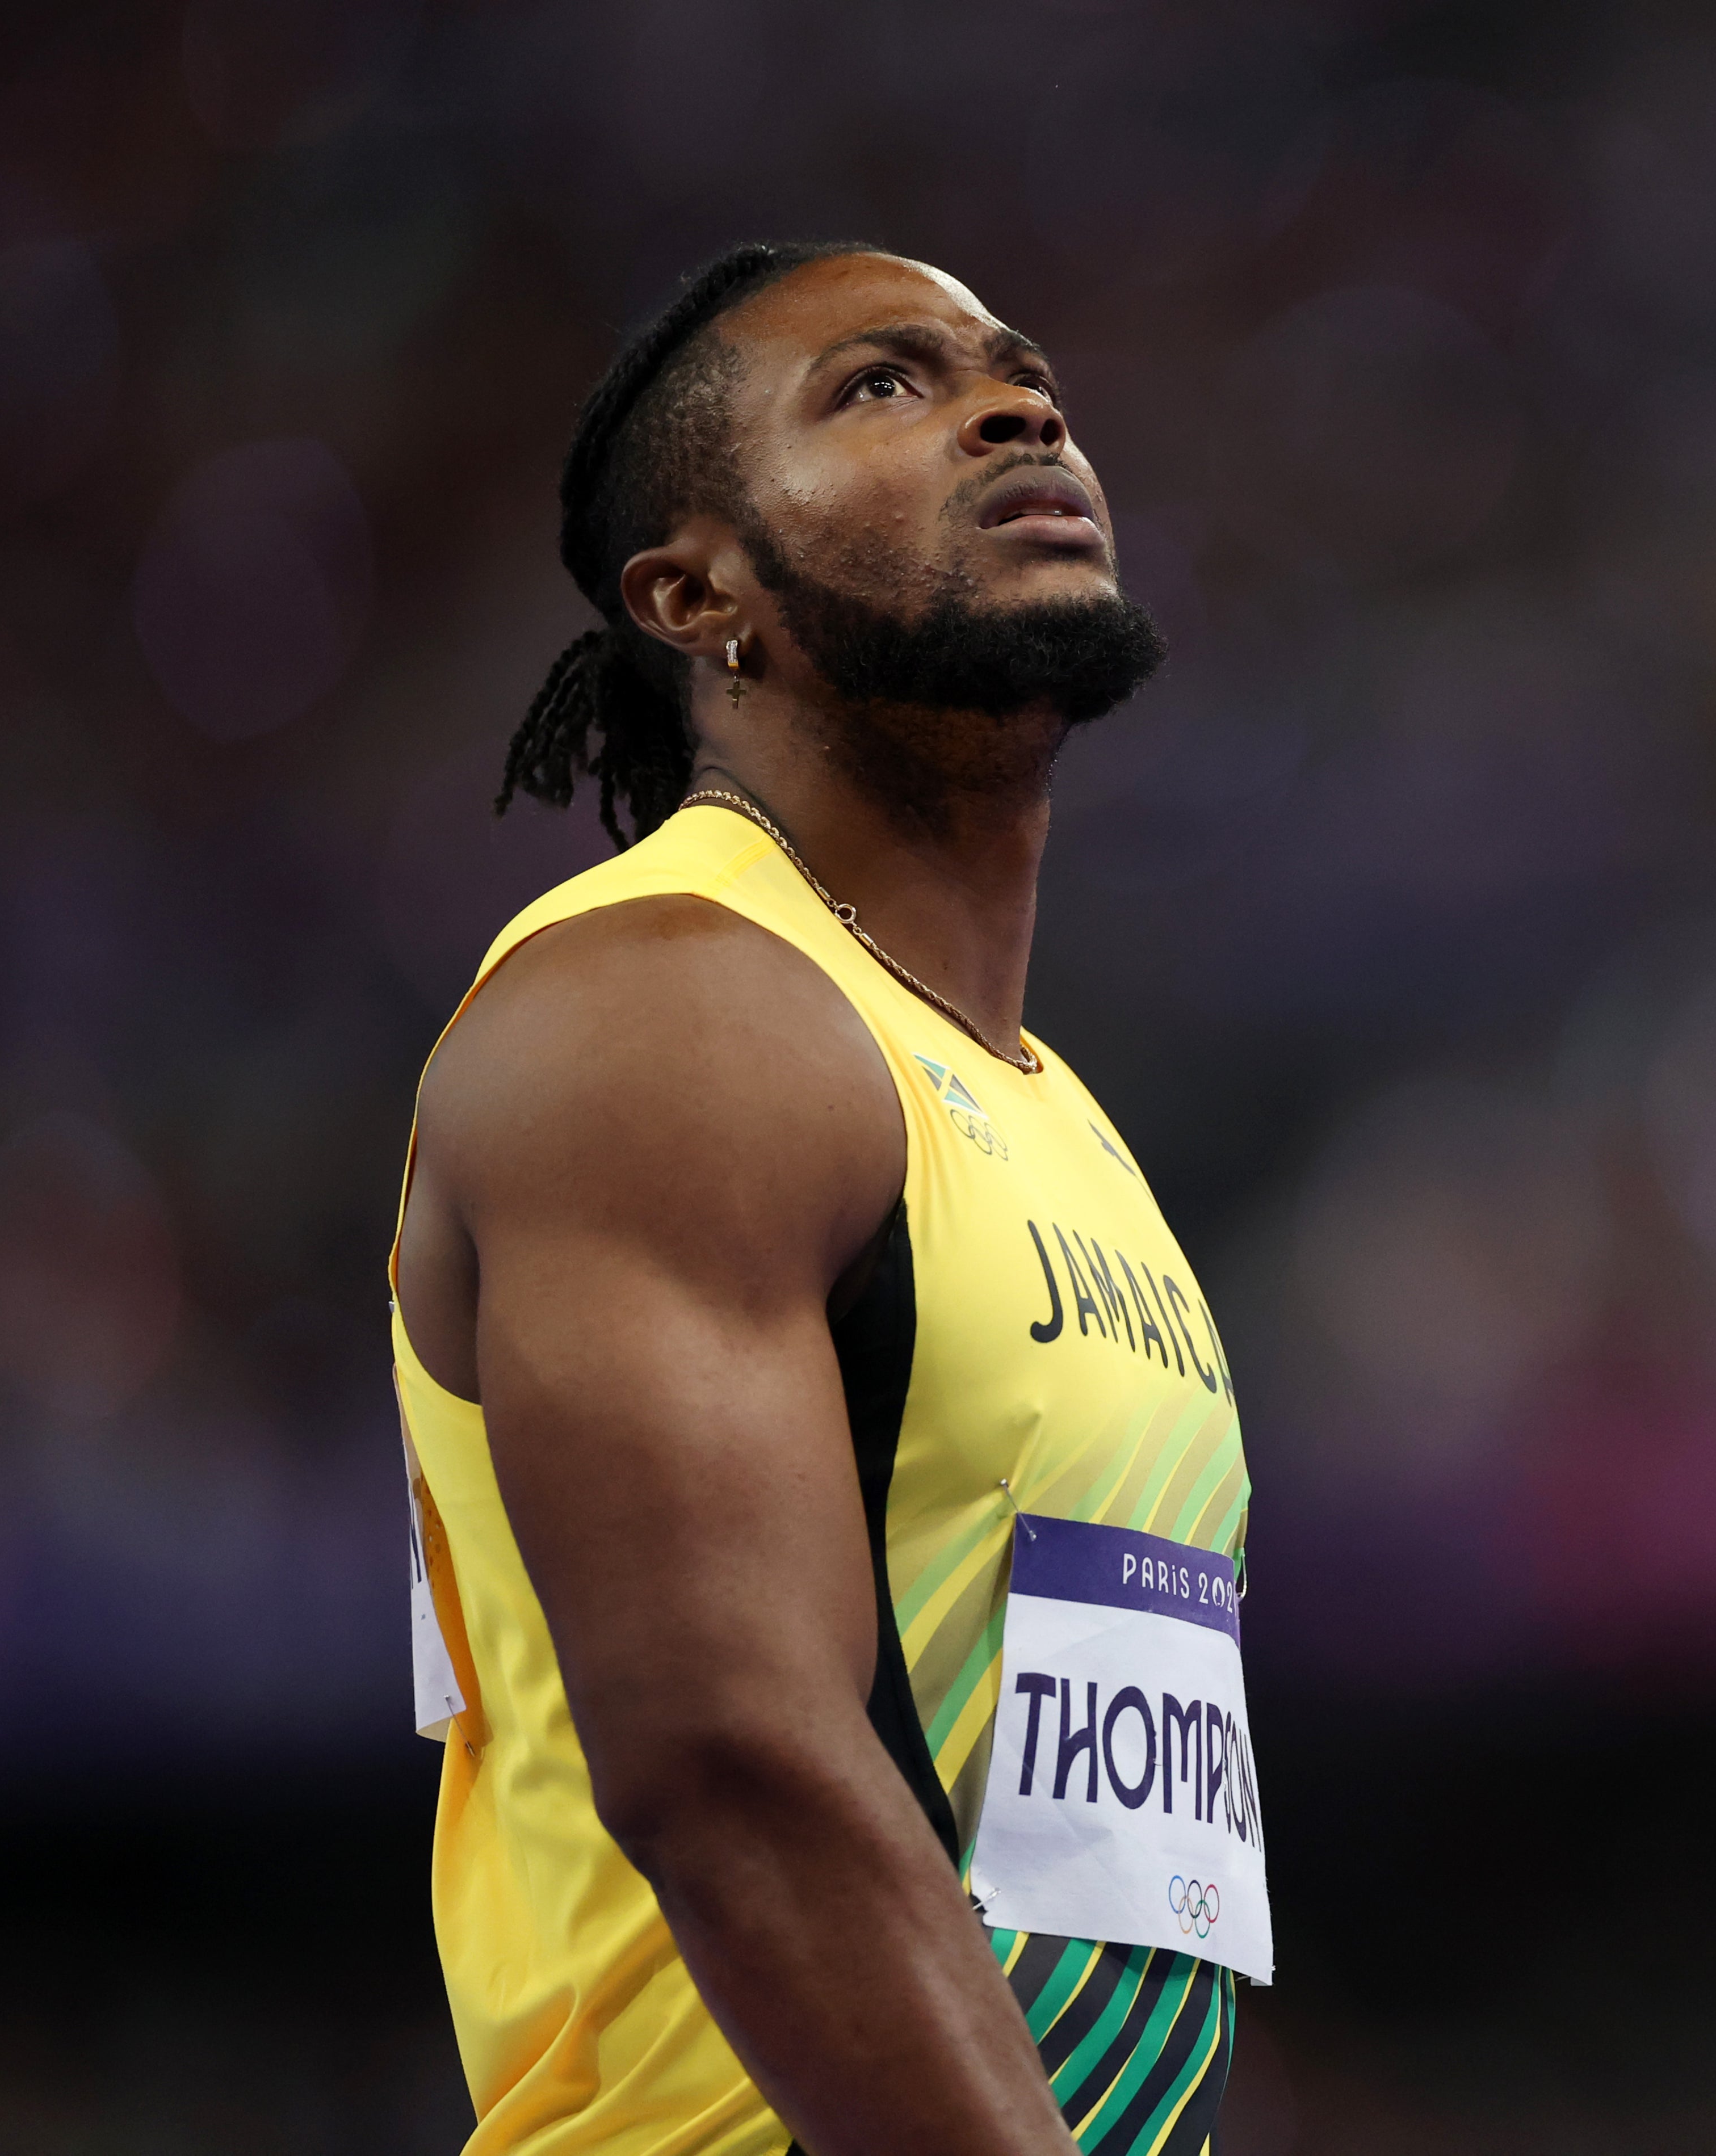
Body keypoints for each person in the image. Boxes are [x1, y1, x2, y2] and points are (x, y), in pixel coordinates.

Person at [390, 241, 1265, 2156]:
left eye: (1021, 372)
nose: (1019, 406)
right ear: (698, 593)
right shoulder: (664, 1007)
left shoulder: (1038, 1107)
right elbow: (735, 1764)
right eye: (881, 385)